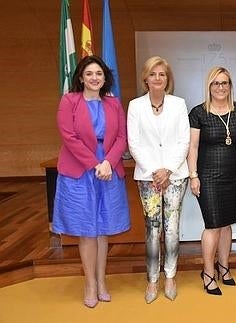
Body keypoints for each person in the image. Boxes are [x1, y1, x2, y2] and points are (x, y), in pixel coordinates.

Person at [53, 55, 130, 308]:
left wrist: (107, 161)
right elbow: (69, 136)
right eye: (89, 74)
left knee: (103, 229)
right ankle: (89, 284)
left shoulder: (113, 103)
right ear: (81, 78)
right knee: (87, 230)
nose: (95, 78)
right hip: (80, 169)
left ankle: (102, 281)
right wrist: (95, 164)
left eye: (99, 73)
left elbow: (121, 137)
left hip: (108, 167)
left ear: (105, 77)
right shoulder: (69, 101)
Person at [127, 56, 190, 303]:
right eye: (153, 74)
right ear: (146, 78)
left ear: (168, 79)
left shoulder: (178, 104)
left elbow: (184, 141)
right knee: (153, 230)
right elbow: (134, 143)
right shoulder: (135, 106)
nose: (157, 78)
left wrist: (168, 170)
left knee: (172, 230)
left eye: (162, 74)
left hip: (175, 176)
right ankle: (152, 280)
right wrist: (155, 170)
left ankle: (171, 276)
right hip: (147, 177)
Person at [188, 66, 236, 296]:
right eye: (216, 83)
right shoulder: (198, 112)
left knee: (226, 224)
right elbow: (193, 147)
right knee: (213, 225)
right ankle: (208, 272)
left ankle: (224, 268)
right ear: (209, 87)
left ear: (230, 86)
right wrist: (193, 176)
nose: (221, 87)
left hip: (233, 174)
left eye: (225, 83)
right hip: (208, 176)